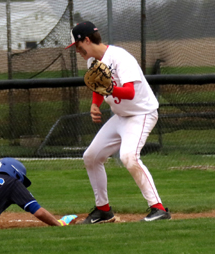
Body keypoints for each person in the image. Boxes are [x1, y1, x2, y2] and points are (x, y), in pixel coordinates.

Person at [66, 21, 170, 223]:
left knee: (129, 157)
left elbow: (129, 92)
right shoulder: (92, 62)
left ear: (87, 40)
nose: (77, 51)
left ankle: (159, 209)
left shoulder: (120, 57)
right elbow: (98, 86)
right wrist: (95, 104)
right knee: (91, 156)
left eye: (77, 46)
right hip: (121, 116)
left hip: (141, 114)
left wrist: (109, 88)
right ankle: (103, 210)